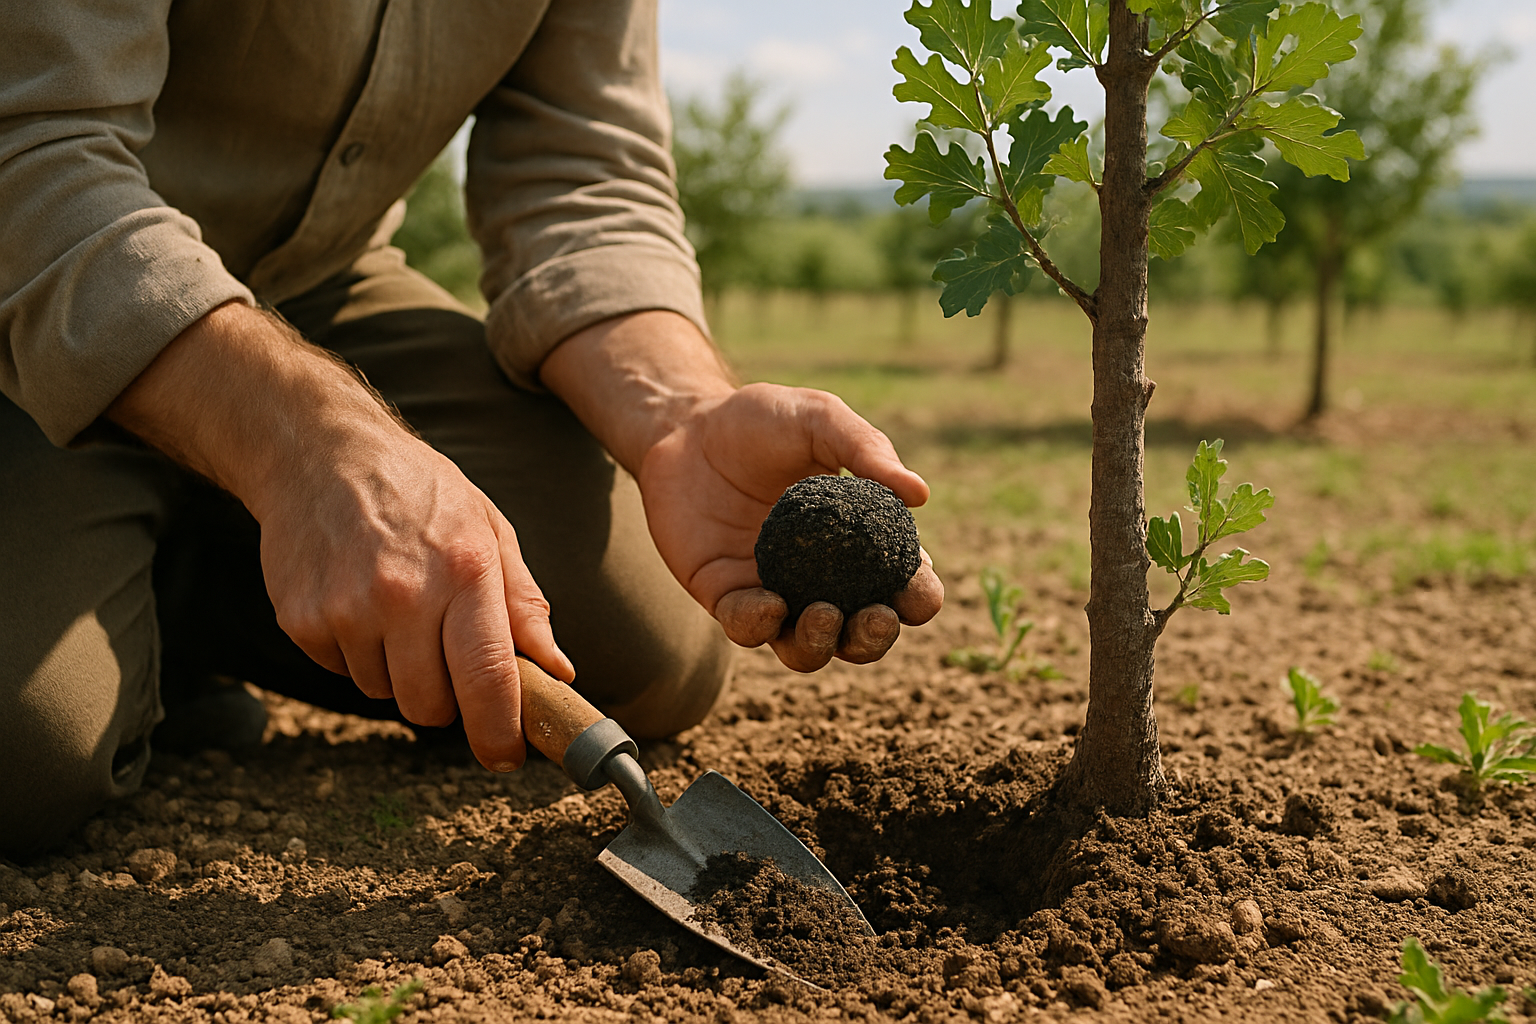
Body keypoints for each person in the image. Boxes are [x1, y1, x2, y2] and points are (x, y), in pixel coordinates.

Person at [0, 0, 943, 861]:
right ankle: (145, 560)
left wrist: (678, 412)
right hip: (33, 283)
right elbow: (30, 147)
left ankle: (176, 579)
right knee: (28, 748)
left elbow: (585, 171)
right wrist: (306, 445)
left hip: (316, 285)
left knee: (644, 647)